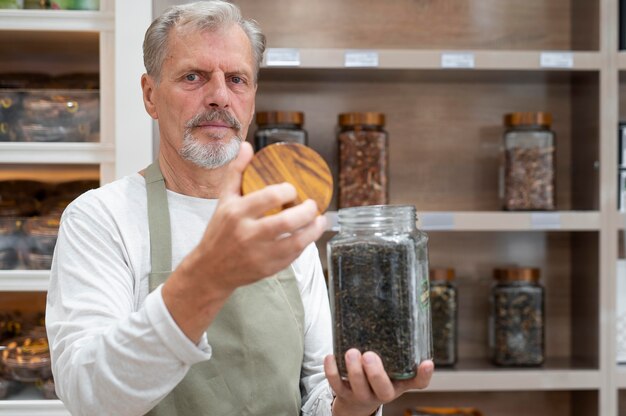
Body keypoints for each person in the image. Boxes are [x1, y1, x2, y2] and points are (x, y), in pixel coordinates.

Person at [45, 1, 434, 415]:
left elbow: (320, 387)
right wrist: (207, 277)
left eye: (236, 79)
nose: (218, 97)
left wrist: (352, 404)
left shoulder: (281, 219)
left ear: (251, 99)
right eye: (193, 77)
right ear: (150, 95)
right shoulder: (100, 218)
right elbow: (89, 395)